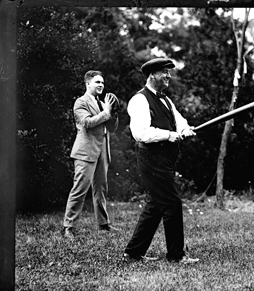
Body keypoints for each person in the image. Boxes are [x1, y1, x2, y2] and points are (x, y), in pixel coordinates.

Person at [123, 58, 199, 264]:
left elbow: (178, 119)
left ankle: (133, 252)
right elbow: (141, 133)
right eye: (164, 72)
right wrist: (168, 135)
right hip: (151, 158)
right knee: (172, 202)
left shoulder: (166, 99)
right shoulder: (139, 100)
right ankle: (176, 255)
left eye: (169, 72)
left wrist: (184, 129)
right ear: (152, 75)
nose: (168, 76)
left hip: (165, 158)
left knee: (156, 204)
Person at [63, 70, 119, 239]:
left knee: (101, 189)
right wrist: (107, 112)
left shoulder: (103, 103)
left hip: (102, 150)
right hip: (85, 151)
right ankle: (68, 226)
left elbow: (111, 128)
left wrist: (114, 113)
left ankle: (103, 224)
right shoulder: (80, 102)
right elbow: (87, 123)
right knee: (80, 189)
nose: (101, 85)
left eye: (102, 82)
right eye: (97, 82)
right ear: (88, 84)